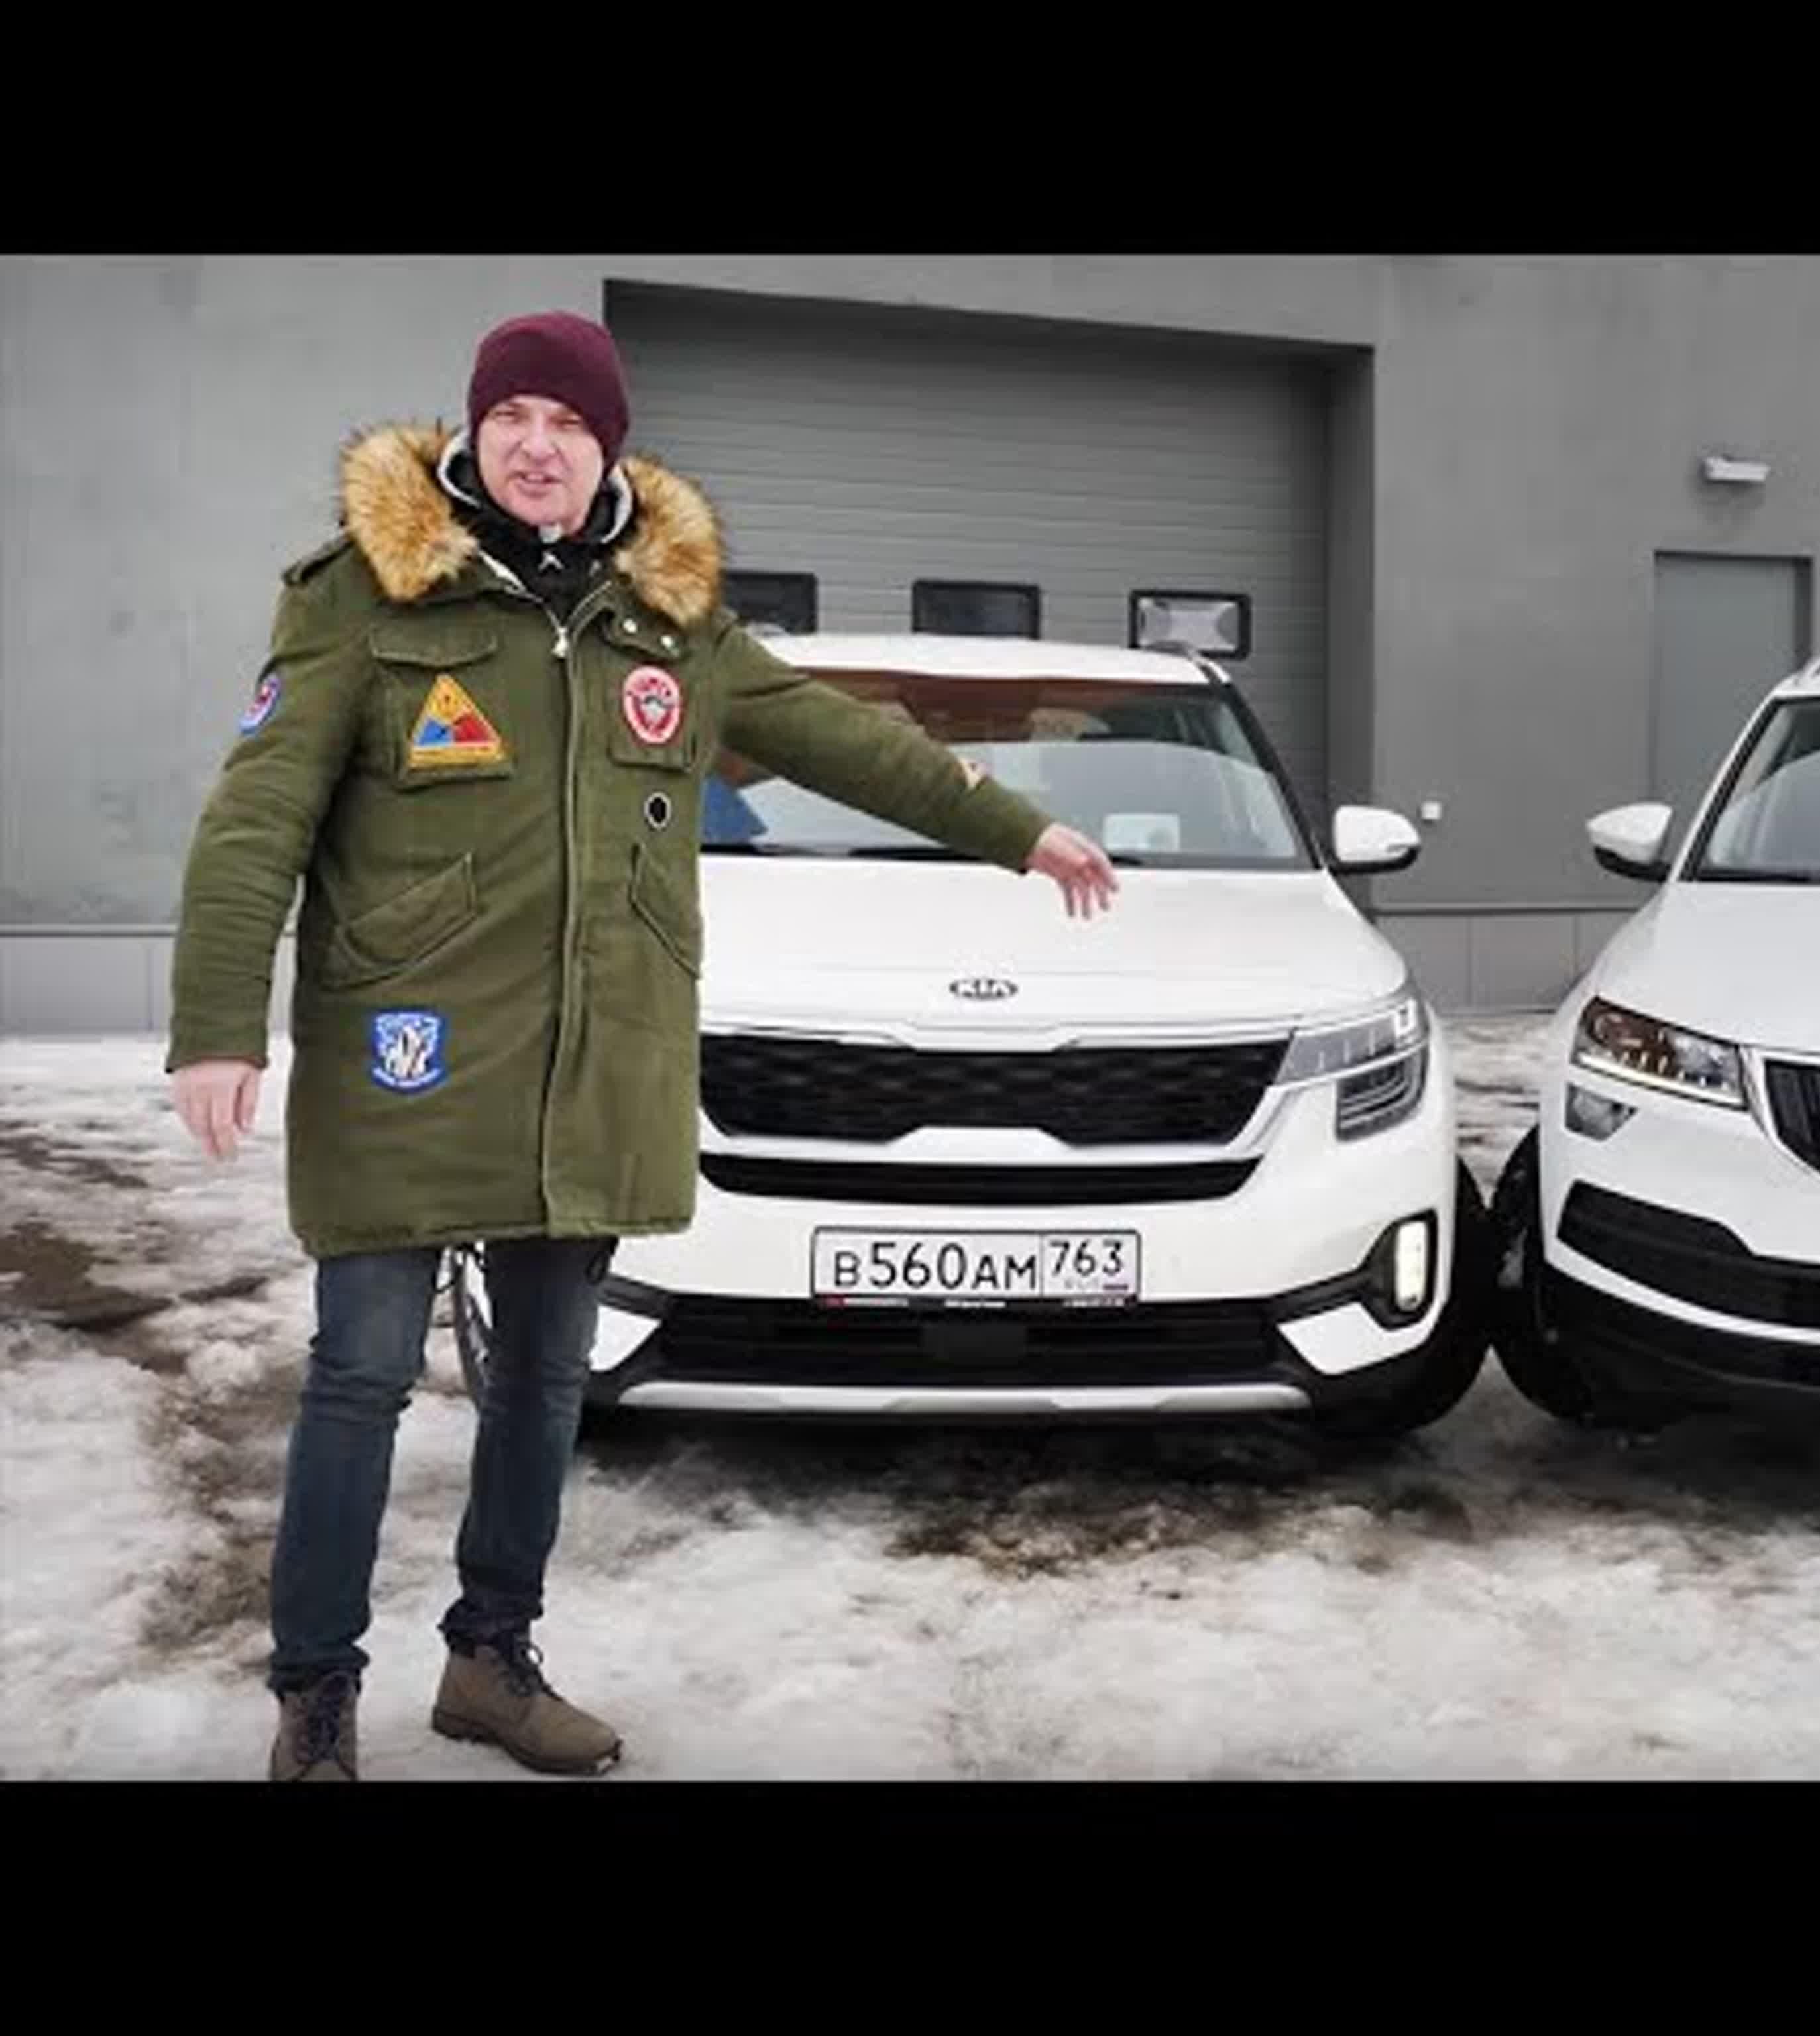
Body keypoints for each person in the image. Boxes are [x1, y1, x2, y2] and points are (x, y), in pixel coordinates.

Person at [165, 311, 1119, 1780]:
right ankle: (315, 1695)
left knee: (545, 1382)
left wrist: (1017, 829)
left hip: (596, 1063)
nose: (537, 446)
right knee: (360, 1377)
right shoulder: (365, 595)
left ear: (609, 447)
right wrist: (217, 1026)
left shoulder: (669, 619)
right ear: (472, 432)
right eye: (512, 418)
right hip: (407, 1058)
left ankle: (490, 1663)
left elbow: (843, 739)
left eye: (570, 423)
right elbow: (255, 820)